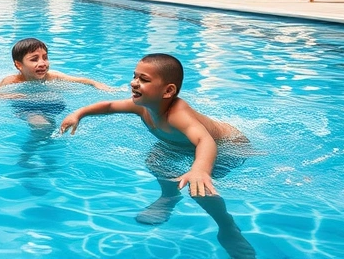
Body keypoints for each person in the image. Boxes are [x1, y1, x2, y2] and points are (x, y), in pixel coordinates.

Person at [59, 53, 256, 259]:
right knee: (155, 160)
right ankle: (169, 196)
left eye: (143, 79)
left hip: (227, 146)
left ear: (168, 91)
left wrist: (200, 170)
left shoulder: (178, 114)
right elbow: (109, 106)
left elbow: (205, 141)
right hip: (180, 145)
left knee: (199, 187)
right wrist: (78, 114)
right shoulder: (141, 107)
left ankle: (227, 226)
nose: (133, 83)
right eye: (134, 76)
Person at [0, 38, 114, 128]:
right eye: (34, 59)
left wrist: (95, 84)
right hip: (27, 107)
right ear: (19, 65)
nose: (42, 63)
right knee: (41, 126)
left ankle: (36, 154)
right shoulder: (12, 81)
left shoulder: (53, 76)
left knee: (52, 129)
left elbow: (80, 80)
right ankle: (29, 153)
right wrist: (11, 96)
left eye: (45, 57)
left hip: (53, 104)